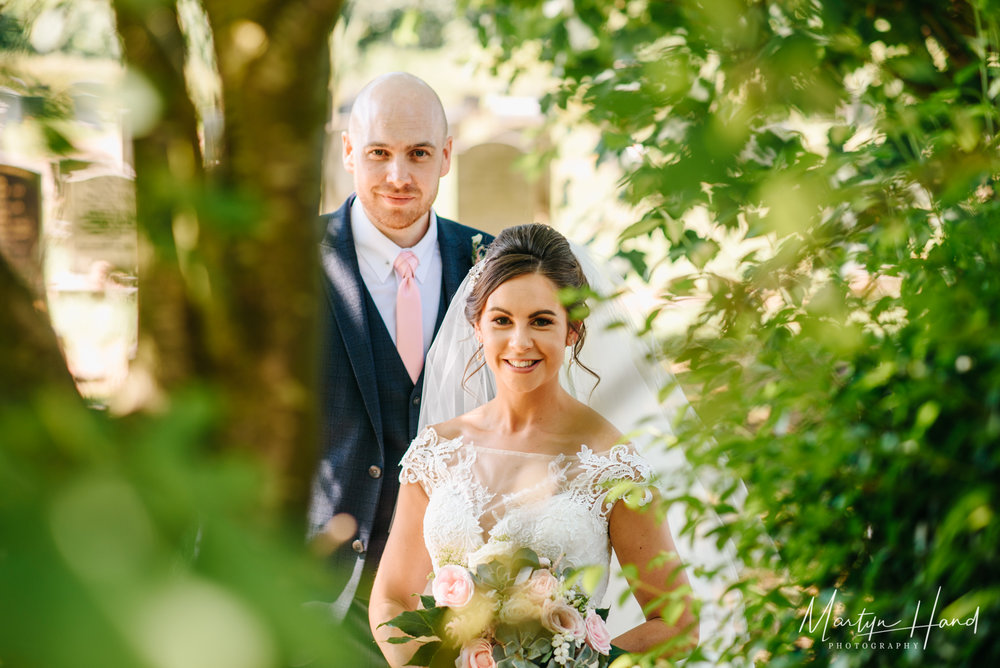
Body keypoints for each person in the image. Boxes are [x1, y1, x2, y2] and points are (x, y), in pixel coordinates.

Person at [369, 224, 698, 667]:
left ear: (572, 329)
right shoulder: (437, 449)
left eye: (541, 321)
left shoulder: (610, 463)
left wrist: (578, 663)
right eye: (502, 320)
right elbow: (390, 600)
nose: (519, 342)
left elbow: (677, 623)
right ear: (477, 326)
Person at [308, 72, 491, 664]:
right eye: (378, 154)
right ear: (347, 153)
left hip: (456, 599)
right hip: (316, 594)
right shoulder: (292, 262)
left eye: (417, 154)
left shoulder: (490, 265)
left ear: (445, 156)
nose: (397, 176)